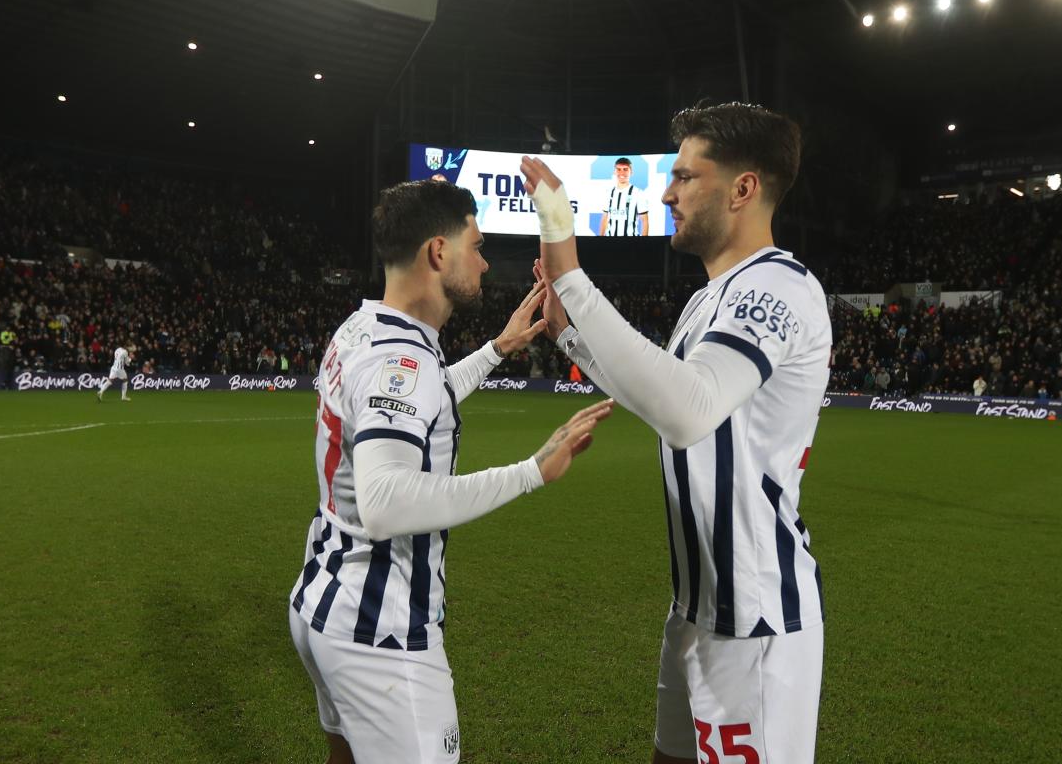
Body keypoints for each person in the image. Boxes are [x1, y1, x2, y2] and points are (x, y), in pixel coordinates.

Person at [522, 102, 830, 764]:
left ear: (743, 188)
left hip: (753, 619)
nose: (667, 193)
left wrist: (571, 272)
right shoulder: (708, 298)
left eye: (686, 177)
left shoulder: (779, 287)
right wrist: (569, 334)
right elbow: (665, 397)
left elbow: (691, 409)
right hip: (697, 607)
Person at [288, 179, 613, 764]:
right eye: (477, 245)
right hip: (381, 633)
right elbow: (386, 502)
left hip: (323, 603)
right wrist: (532, 471)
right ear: (439, 252)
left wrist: (496, 350)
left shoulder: (364, 328)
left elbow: (419, 401)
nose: (485, 262)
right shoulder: (402, 358)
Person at [598, 156, 650, 237]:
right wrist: (600, 239)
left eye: (625, 169)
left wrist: (643, 242)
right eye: (618, 169)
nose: (622, 173)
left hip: (631, 242)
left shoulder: (638, 193)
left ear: (631, 172)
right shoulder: (609, 192)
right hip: (610, 241)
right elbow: (605, 217)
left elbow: (645, 221)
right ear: (614, 172)